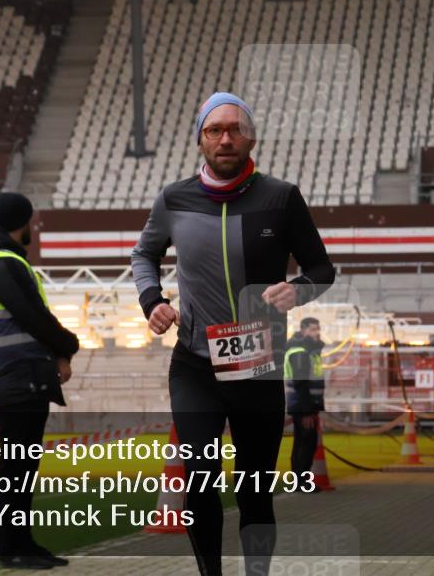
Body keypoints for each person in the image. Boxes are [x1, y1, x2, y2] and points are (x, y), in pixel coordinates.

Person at [131, 92, 335, 576]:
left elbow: (322, 268)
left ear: (251, 137)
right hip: (195, 365)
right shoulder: (174, 199)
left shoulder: (281, 197)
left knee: (254, 490)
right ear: (200, 138)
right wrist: (153, 301)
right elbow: (144, 256)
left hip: (258, 366)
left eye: (234, 129)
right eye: (214, 130)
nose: (225, 138)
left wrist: (298, 290)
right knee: (200, 481)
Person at [0, 192, 79, 569]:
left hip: (17, 376)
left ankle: (22, 543)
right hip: (18, 375)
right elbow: (33, 316)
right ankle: (13, 547)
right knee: (17, 467)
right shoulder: (2, 263)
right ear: (22, 223)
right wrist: (68, 344)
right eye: (31, 222)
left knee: (21, 466)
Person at [284, 317, 326, 485]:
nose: (317, 333)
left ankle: (300, 480)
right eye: (313, 329)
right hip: (303, 405)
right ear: (303, 330)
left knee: (303, 442)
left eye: (318, 329)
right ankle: (301, 481)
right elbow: (300, 383)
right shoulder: (300, 351)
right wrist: (307, 411)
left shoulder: (306, 350)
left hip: (304, 404)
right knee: (305, 444)